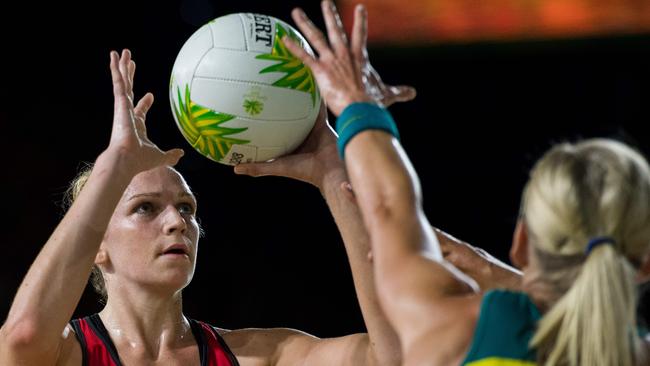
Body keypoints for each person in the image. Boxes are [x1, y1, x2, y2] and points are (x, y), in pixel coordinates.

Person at [283, 1, 650, 365]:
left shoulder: (453, 327)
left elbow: (388, 209)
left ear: (521, 242)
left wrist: (356, 101)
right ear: (646, 265)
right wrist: (358, 109)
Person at [0, 48, 419, 366]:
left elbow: (393, 354)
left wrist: (333, 173)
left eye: (187, 208)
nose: (177, 222)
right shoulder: (71, 353)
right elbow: (21, 336)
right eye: (145, 208)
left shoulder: (258, 355)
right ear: (98, 245)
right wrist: (113, 167)